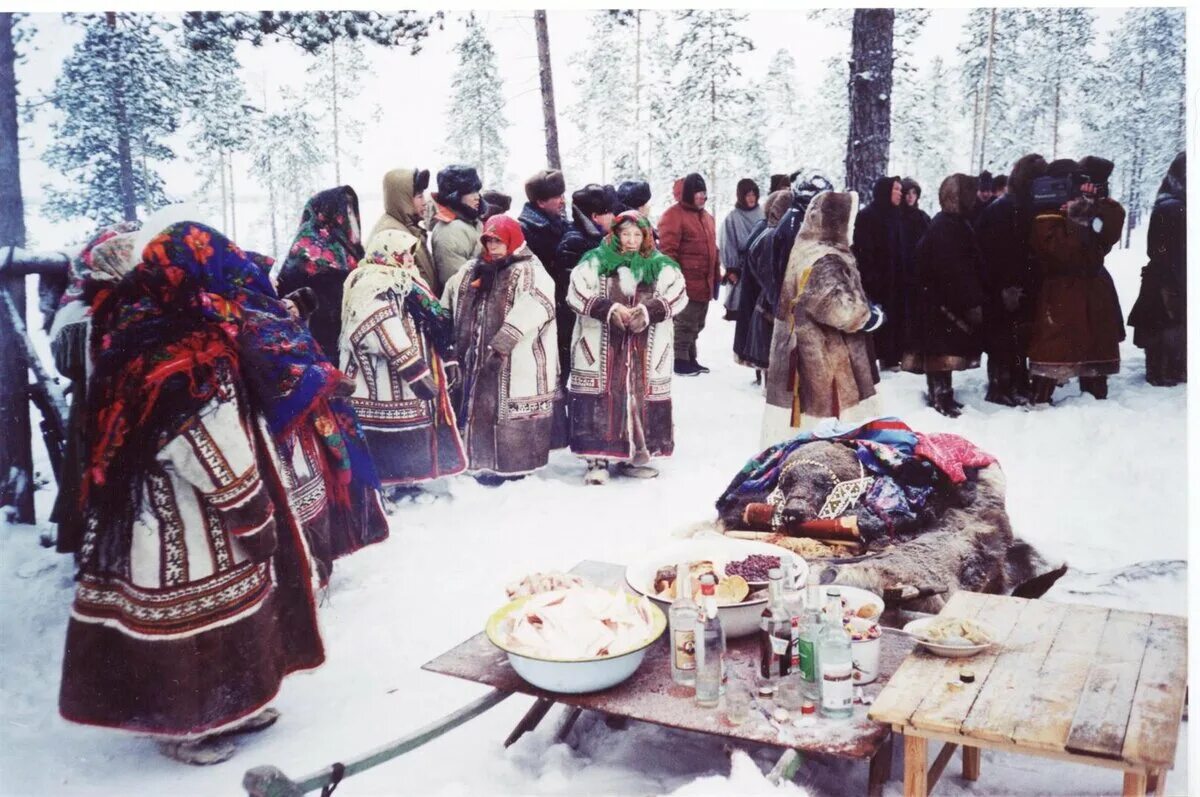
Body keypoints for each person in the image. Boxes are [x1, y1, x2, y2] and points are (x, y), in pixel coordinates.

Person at [61, 227, 327, 765]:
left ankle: (239, 703)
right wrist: (247, 505)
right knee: (190, 616)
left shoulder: (150, 323)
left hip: (166, 503)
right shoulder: (178, 350)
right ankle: (185, 725)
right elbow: (201, 437)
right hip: (182, 510)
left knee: (230, 607)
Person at [566, 211, 688, 484]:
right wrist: (609, 309)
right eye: (625, 234)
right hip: (599, 345)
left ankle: (635, 455)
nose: (631, 240)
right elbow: (575, 293)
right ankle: (596, 460)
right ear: (615, 235)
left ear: (646, 236)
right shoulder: (595, 261)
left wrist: (648, 312)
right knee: (602, 395)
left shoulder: (661, 265)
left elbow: (679, 295)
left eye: (637, 234)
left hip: (647, 347)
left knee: (639, 397)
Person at [442, 215, 564, 480]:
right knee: (478, 405)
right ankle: (479, 463)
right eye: (489, 241)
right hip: (473, 357)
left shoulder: (529, 270)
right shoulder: (470, 270)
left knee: (505, 406)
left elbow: (539, 304)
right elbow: (448, 300)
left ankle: (513, 467)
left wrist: (504, 341)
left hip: (517, 359)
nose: (494, 247)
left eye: (499, 241)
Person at [341, 229, 466, 487]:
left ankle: (406, 480)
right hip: (379, 376)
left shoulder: (406, 280)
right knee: (387, 434)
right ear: (388, 254)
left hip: (404, 376)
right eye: (405, 253)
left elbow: (434, 320)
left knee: (407, 431)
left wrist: (447, 357)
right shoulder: (372, 284)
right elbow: (379, 326)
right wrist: (414, 369)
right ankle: (391, 484)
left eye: (411, 253)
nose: (410, 259)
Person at [762, 191, 884, 447]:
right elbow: (838, 307)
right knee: (828, 433)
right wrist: (869, 315)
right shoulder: (825, 257)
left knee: (808, 430)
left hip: (804, 353)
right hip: (823, 360)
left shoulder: (808, 247)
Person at [1027, 158, 1126, 403]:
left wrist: (1093, 204)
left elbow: (1106, 238)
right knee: (1052, 352)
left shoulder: (1089, 209)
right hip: (1061, 293)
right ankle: (1040, 403)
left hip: (1093, 291)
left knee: (1095, 350)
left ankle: (1095, 401)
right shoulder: (1046, 214)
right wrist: (1078, 218)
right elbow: (1063, 254)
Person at [902, 174, 986, 417]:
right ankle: (940, 397)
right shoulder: (946, 227)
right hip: (939, 304)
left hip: (941, 302)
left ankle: (944, 395)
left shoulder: (953, 224)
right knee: (940, 354)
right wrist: (970, 300)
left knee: (943, 353)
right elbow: (954, 269)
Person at [975, 153, 1048, 405]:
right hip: (1005, 285)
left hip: (1020, 283)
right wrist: (1004, 286)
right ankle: (1000, 387)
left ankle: (1016, 383)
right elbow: (992, 252)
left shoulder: (1023, 206)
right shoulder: (1004, 208)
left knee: (1019, 338)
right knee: (1004, 338)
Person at [276, 186, 365, 360]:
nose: (351, 217)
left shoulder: (352, 251)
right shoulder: (305, 252)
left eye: (352, 209)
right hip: (320, 348)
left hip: (349, 343)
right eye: (345, 210)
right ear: (330, 213)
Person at [1129, 152, 1186, 386]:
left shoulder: (1171, 202)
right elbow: (1159, 249)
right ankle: (1164, 371)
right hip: (1168, 279)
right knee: (1165, 327)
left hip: (1169, 276)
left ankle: (1168, 370)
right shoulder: (1172, 207)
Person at [551, 184, 615, 385]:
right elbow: (573, 290)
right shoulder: (576, 243)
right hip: (572, 323)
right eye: (610, 213)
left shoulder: (594, 239)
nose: (614, 217)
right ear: (595, 216)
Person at [659, 172, 719, 376]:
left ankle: (691, 358)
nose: (703, 196)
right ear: (688, 194)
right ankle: (679, 360)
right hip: (686, 282)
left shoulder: (707, 217)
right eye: (698, 192)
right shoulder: (673, 216)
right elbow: (668, 251)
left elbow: (713, 249)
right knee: (684, 323)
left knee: (697, 323)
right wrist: (675, 280)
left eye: (704, 192)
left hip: (704, 282)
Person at [852, 175, 908, 370]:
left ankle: (891, 358)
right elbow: (863, 251)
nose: (900, 194)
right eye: (896, 189)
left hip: (895, 279)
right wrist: (872, 278)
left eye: (901, 190)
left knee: (894, 318)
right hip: (877, 280)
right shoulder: (868, 215)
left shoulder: (896, 215)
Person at [734, 188, 791, 374]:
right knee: (763, 339)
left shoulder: (765, 229)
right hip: (761, 297)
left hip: (756, 294)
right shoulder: (770, 235)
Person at [368, 167, 438, 292]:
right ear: (403, 199)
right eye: (419, 196)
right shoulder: (391, 233)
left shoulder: (408, 226)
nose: (425, 202)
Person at [430, 164, 485, 290]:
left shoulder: (471, 221)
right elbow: (457, 283)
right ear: (455, 196)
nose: (477, 197)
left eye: (477, 190)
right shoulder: (450, 231)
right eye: (470, 192)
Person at [719, 178, 764, 322]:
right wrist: (732, 268)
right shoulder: (733, 218)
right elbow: (728, 243)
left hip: (761, 269)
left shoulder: (763, 213)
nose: (751, 198)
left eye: (753, 194)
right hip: (742, 270)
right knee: (744, 313)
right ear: (741, 196)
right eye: (747, 195)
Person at [518, 169, 568, 272]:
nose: (563, 201)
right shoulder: (523, 231)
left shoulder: (562, 224)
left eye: (562, 195)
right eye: (557, 196)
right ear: (541, 202)